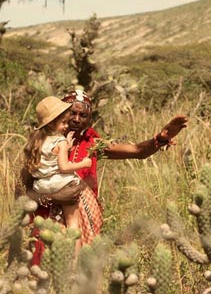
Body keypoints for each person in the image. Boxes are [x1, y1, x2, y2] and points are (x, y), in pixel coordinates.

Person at [19, 86, 188, 264]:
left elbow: (137, 150)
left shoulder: (93, 144)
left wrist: (161, 138)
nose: (76, 119)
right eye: (72, 113)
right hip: (44, 220)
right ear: (61, 115)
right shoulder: (41, 145)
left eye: (83, 115)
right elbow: (22, 189)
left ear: (89, 118)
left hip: (80, 219)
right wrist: (52, 197)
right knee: (43, 274)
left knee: (78, 275)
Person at [23, 96, 92, 236]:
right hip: (60, 184)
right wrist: (83, 163)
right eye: (64, 123)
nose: (67, 126)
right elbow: (64, 167)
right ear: (51, 124)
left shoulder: (37, 141)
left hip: (41, 186)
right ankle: (76, 255)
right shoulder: (60, 141)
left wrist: (67, 146)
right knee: (73, 224)